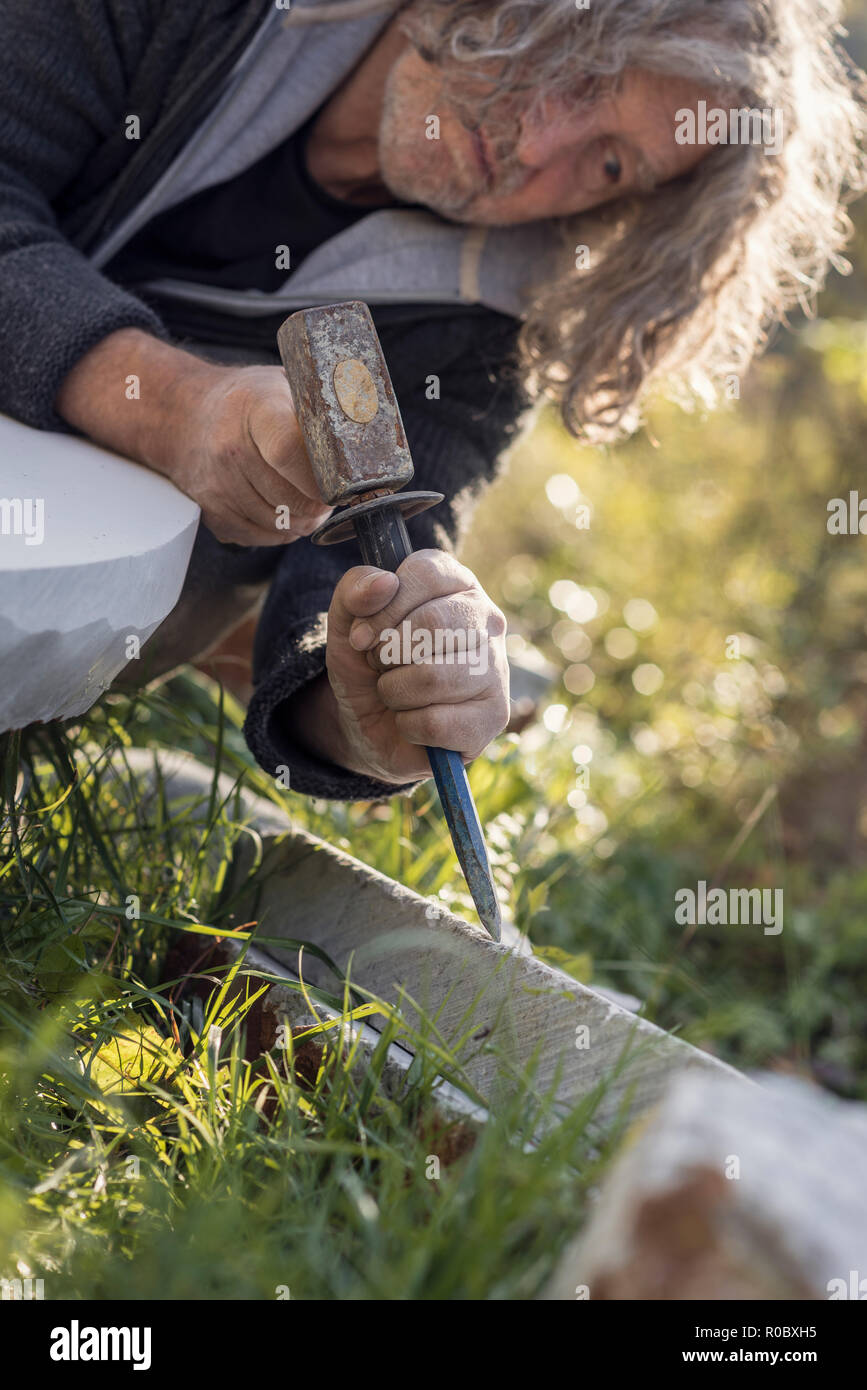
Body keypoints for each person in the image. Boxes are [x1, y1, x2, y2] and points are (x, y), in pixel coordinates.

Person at [0, 0, 862, 800]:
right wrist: (173, 407)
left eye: (607, 162)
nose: (535, 148)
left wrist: (382, 712)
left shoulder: (485, 321)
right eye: (578, 67)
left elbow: (354, 582)